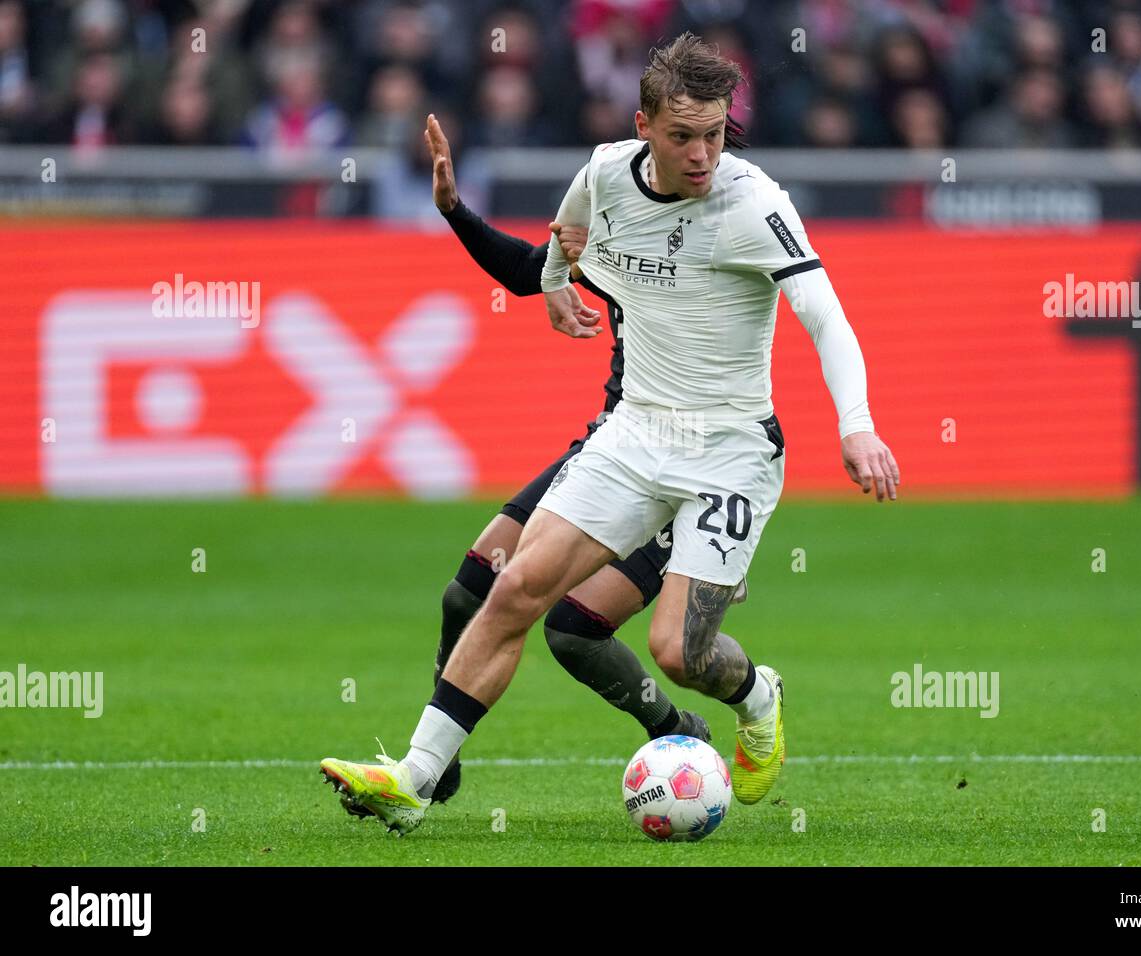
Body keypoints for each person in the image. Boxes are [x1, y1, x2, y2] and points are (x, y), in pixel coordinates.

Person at [322, 34, 899, 835]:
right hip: (632, 437)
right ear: (644, 126)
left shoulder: (753, 203)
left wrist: (858, 426)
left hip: (730, 451)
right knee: (513, 588)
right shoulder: (602, 176)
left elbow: (826, 317)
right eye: (682, 136)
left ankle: (758, 694)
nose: (702, 155)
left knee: (678, 653)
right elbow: (550, 260)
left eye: (716, 134)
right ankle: (413, 781)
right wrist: (553, 287)